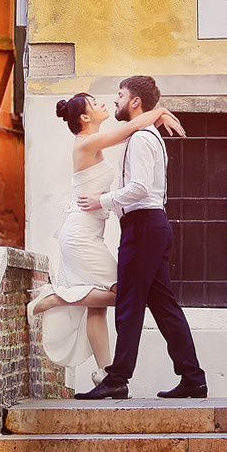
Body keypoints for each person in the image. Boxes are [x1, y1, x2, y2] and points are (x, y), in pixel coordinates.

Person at [27, 91, 184, 385]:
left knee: (96, 307)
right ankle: (54, 298)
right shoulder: (88, 141)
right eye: (95, 104)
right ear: (85, 118)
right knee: (121, 294)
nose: (103, 104)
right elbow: (132, 127)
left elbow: (131, 131)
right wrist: (160, 110)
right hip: (81, 234)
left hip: (88, 232)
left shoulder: (93, 140)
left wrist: (157, 115)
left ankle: (106, 376)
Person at [74, 75, 207, 401]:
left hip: (144, 228)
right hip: (150, 226)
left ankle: (117, 379)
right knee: (164, 307)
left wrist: (102, 201)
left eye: (120, 95)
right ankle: (193, 378)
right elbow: (139, 189)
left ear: (135, 102)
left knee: (129, 305)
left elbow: (140, 189)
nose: (116, 101)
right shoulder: (144, 135)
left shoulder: (142, 139)